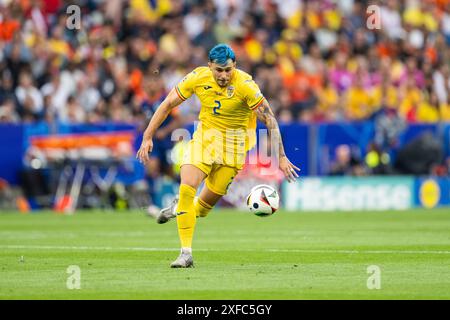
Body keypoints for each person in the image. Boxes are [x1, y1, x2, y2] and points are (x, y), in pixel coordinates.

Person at [136, 44, 300, 268]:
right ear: (210, 66)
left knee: (201, 210)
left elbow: (270, 118)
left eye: (228, 70)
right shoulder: (197, 77)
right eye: (219, 70)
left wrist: (280, 156)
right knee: (187, 188)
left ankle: (177, 209)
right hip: (204, 142)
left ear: (235, 67)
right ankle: (186, 253)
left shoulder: (246, 85)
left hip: (234, 151)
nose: (224, 75)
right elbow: (167, 105)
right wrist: (148, 136)